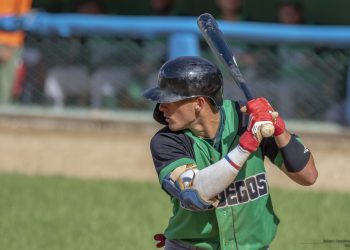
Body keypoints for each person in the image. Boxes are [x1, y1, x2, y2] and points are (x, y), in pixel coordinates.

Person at [143, 56, 318, 249]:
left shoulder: (247, 119)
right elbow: (194, 195)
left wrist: (278, 128)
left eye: (169, 100)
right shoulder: (167, 142)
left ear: (199, 103)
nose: (161, 107)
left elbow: (308, 176)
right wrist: (245, 148)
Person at [0, 0, 32, 105]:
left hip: (7, 43)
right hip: (7, 42)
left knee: (6, 87)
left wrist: (8, 46)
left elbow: (21, 19)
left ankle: (4, 116)